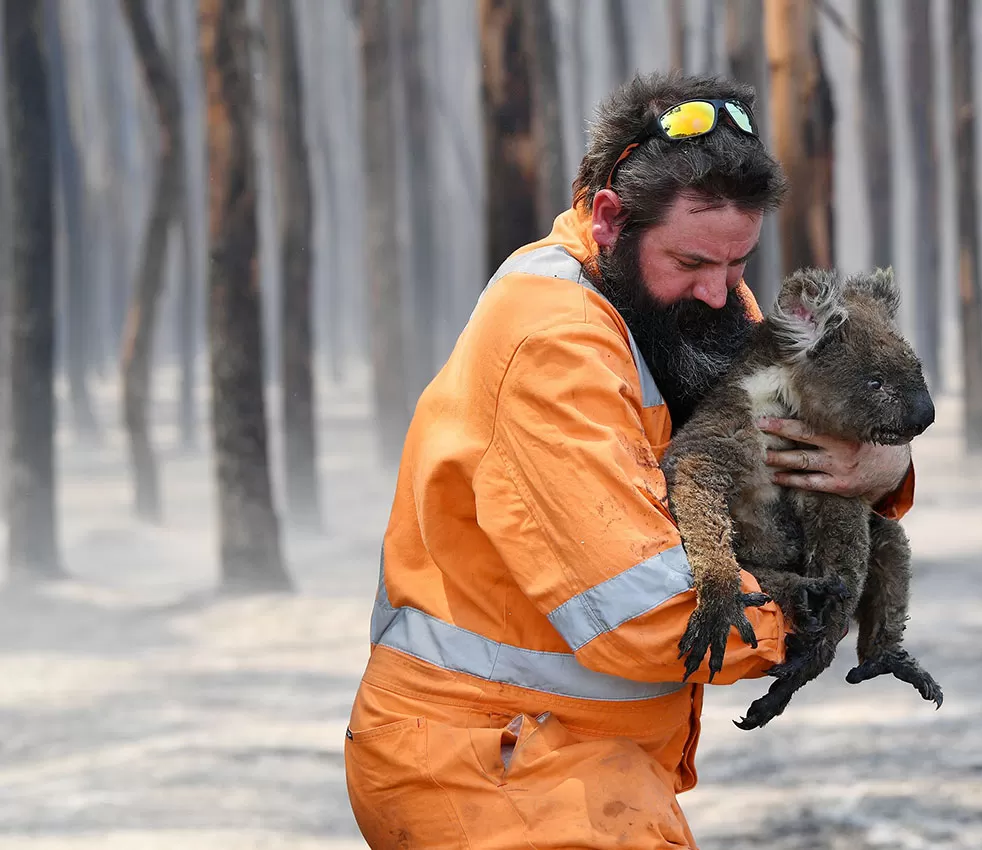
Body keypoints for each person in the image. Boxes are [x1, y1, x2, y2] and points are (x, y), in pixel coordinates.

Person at [343, 73, 918, 849]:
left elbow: (811, 434)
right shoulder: (552, 344)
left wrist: (886, 472)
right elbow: (646, 614)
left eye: (739, 264)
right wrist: (810, 618)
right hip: (489, 764)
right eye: (692, 263)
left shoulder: (693, 306)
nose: (722, 294)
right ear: (610, 219)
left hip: (584, 758)